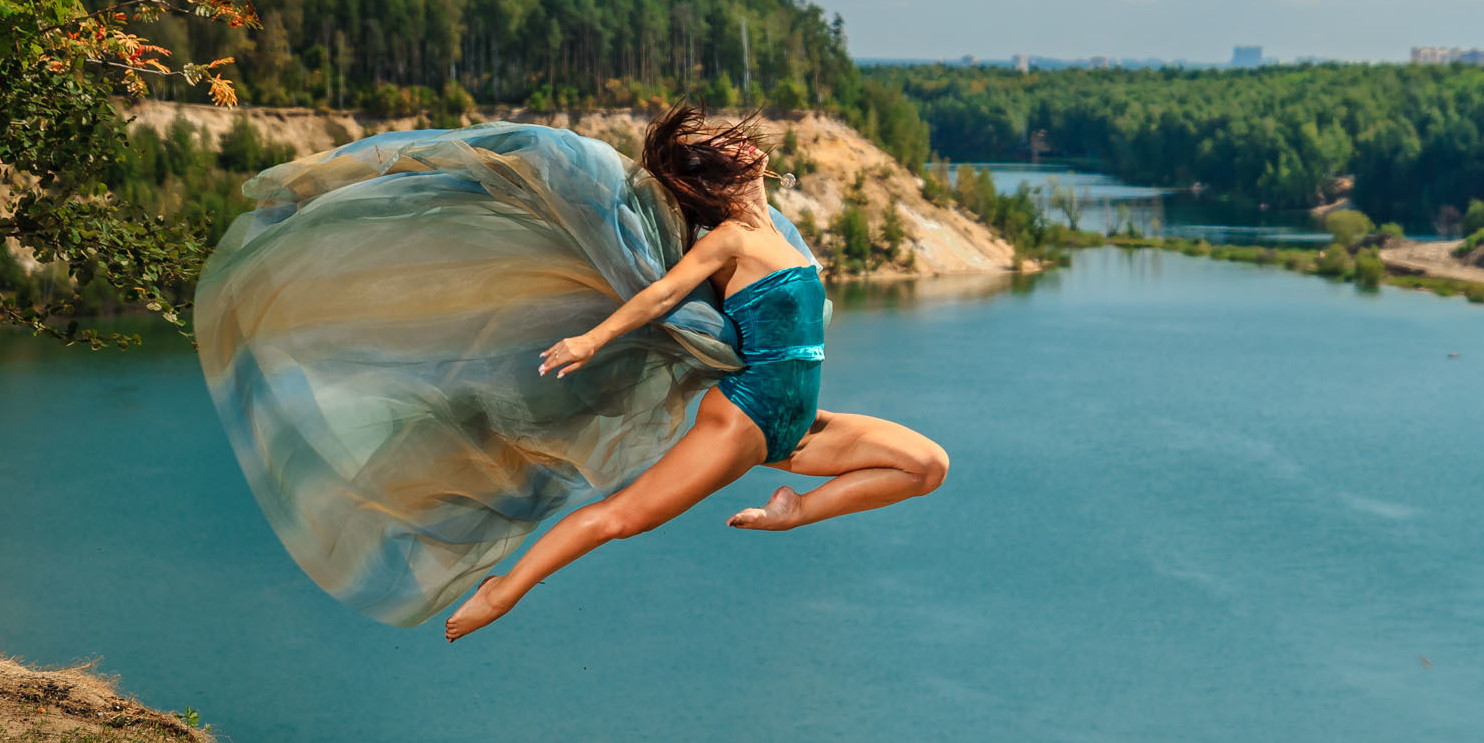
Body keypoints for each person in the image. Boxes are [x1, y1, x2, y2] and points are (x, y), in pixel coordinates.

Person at [193, 106, 946, 638]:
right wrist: (592, 339)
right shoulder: (726, 240)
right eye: (730, 144)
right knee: (621, 517)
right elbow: (659, 295)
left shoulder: (781, 233)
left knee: (926, 466)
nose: (746, 144)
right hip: (747, 417)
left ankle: (794, 513)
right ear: (723, 174)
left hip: (799, 420)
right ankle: (501, 591)